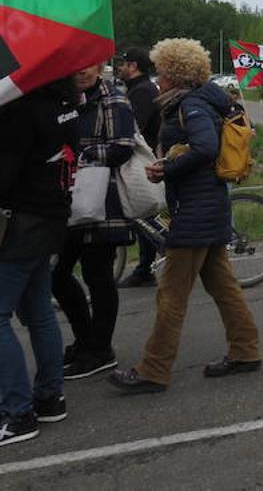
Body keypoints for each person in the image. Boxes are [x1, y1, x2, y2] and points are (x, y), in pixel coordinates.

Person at [109, 38, 261, 394]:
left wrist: (167, 167)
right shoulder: (204, 98)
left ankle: (153, 369)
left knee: (171, 294)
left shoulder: (191, 104)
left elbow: (205, 148)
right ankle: (246, 350)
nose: (157, 78)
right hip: (208, 205)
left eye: (162, 71)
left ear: (176, 73)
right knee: (223, 286)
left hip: (196, 207)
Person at [0, 78, 78, 445]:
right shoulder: (66, 101)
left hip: (20, 223)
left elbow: (5, 174)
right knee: (38, 311)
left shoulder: (20, 108)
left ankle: (18, 412)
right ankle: (49, 396)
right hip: (52, 216)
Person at [51, 64, 137, 379]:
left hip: (102, 198)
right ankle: (86, 339)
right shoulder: (64, 99)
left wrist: (80, 154)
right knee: (57, 274)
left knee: (97, 273)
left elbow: (123, 146)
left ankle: (100, 349)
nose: (81, 72)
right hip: (71, 196)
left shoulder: (112, 98)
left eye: (88, 67)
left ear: (99, 67)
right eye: (74, 68)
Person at [116, 47, 160, 288]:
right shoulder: (138, 89)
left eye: (123, 64)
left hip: (142, 161)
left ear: (133, 66)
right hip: (142, 159)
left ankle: (148, 265)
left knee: (142, 212)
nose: (120, 68)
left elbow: (135, 128)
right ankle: (145, 268)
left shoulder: (142, 92)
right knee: (144, 215)